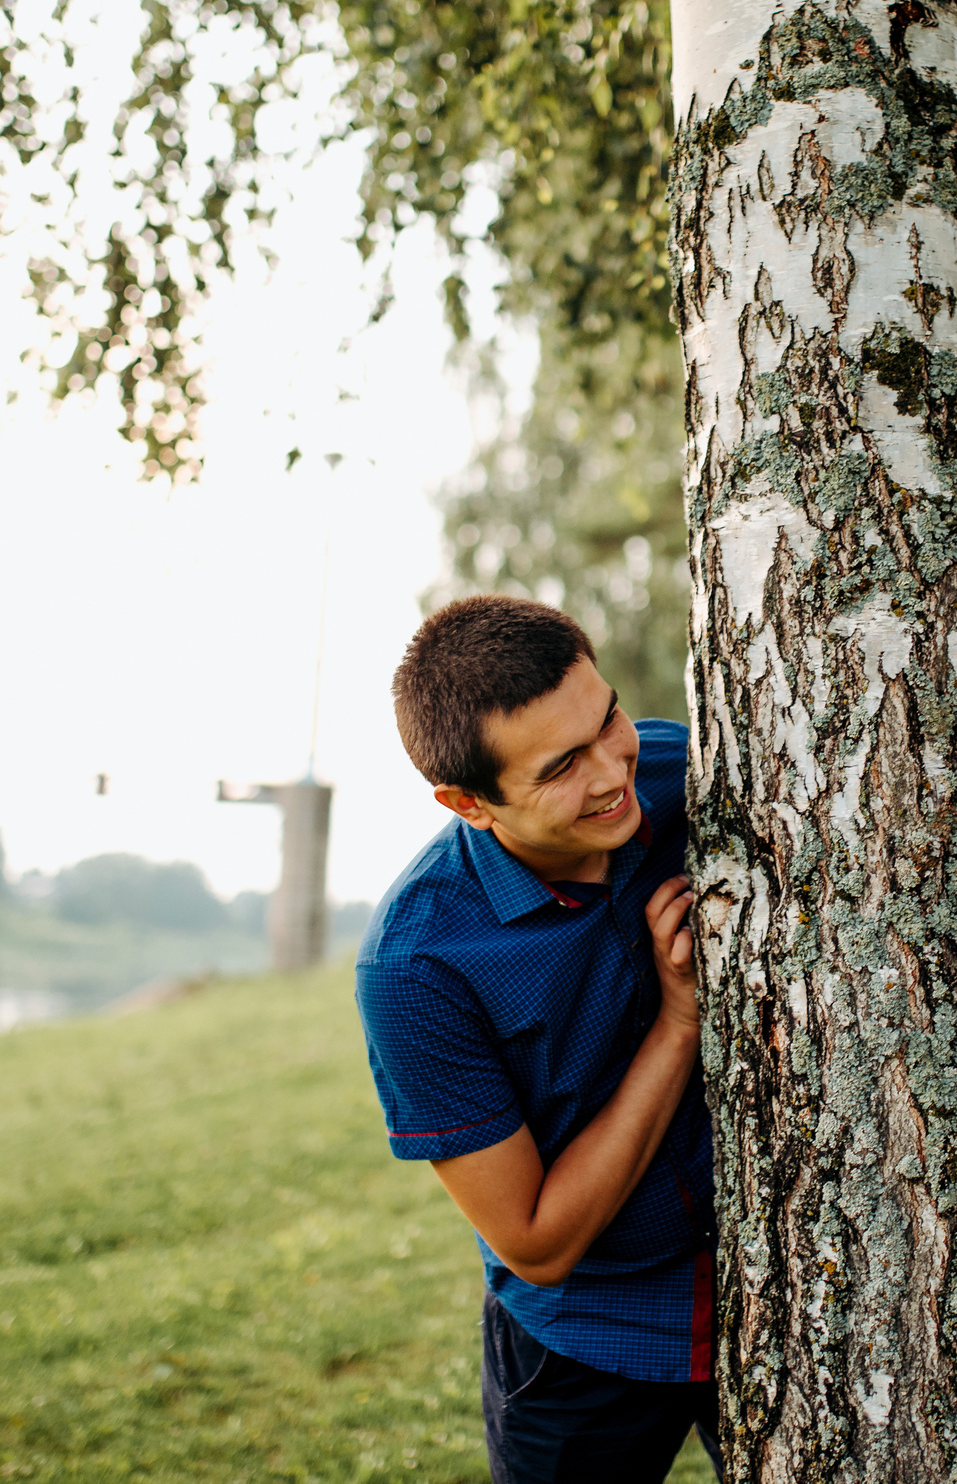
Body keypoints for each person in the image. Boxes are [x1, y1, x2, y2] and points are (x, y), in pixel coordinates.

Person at [357, 597, 718, 1483]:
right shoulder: (418, 964)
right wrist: (678, 1024)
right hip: (588, 1339)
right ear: (468, 803)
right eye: (561, 766)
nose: (611, 772)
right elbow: (537, 1240)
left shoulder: (679, 770)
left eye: (607, 718)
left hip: (777, 1285)